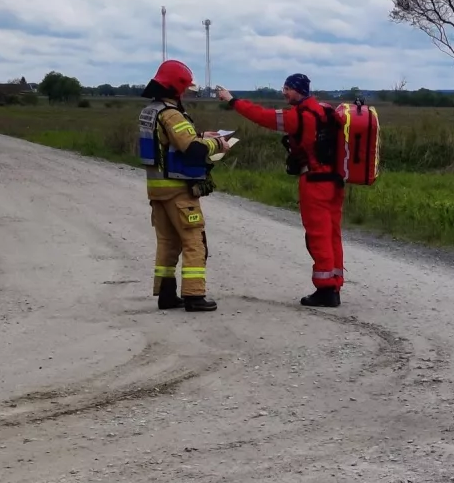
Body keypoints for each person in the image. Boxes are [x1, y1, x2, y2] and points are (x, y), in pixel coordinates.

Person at [215, 74, 344, 307]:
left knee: (318, 235)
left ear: (299, 90)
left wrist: (232, 100)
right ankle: (335, 283)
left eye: (287, 89)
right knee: (332, 233)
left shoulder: (298, 116)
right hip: (334, 182)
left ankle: (325, 290)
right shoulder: (324, 110)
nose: (284, 92)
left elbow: (261, 116)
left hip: (314, 182)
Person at [139, 59, 233, 312]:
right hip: (178, 189)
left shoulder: (150, 111)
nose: (187, 94)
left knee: (167, 243)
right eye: (185, 89)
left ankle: (166, 294)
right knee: (194, 241)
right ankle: (194, 295)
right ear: (176, 87)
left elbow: (168, 142)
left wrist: (202, 135)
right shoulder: (171, 114)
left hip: (157, 190)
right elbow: (190, 149)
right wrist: (218, 143)